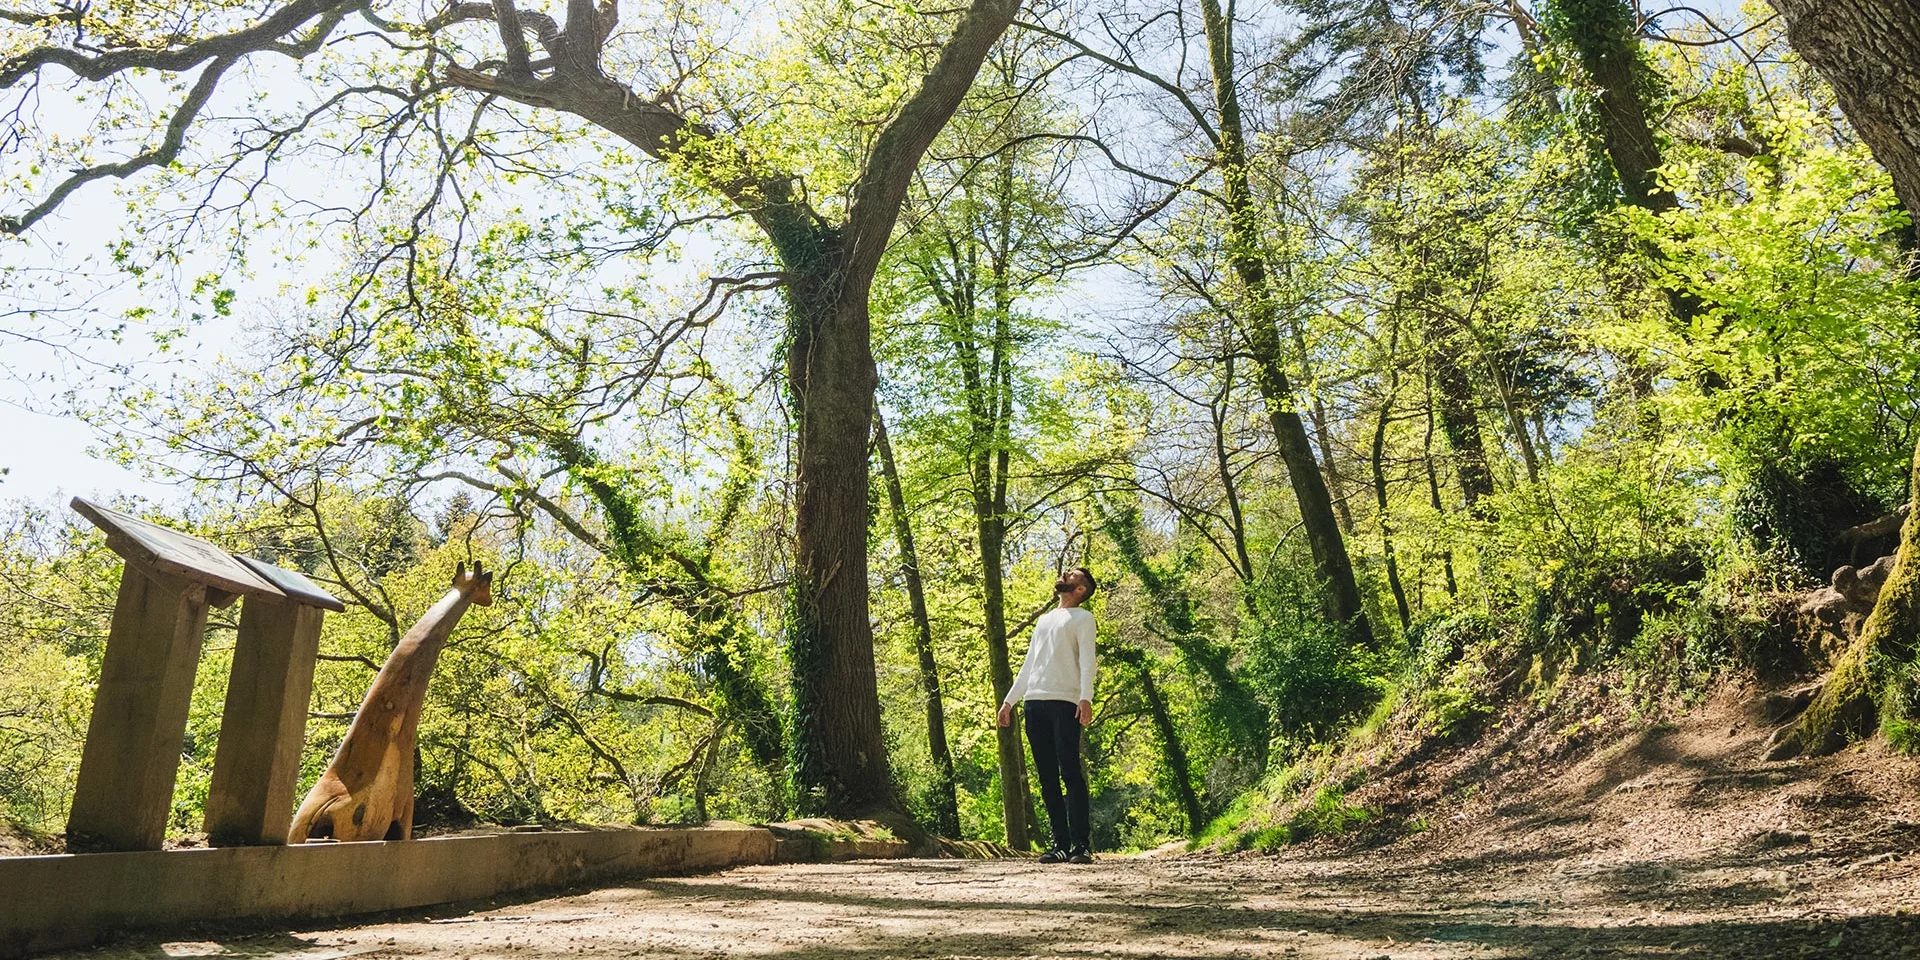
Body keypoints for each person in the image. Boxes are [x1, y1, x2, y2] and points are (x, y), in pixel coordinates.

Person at [998, 566, 1099, 864]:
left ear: (1081, 590)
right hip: (1035, 703)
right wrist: (1009, 702)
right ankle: (1059, 845)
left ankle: (1081, 845)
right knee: (1046, 777)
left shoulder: (1083, 618)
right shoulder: (1044, 621)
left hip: (1066, 702)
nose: (1065, 575)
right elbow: (1030, 664)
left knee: (1070, 772)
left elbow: (1087, 661)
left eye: (1073, 576)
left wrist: (1085, 698)